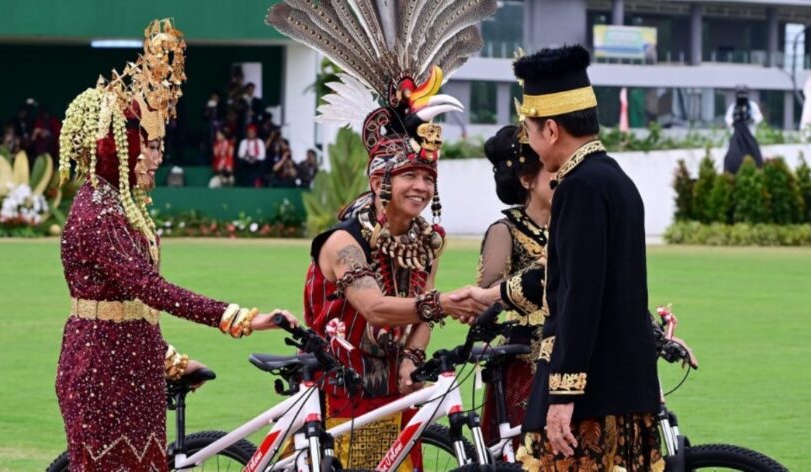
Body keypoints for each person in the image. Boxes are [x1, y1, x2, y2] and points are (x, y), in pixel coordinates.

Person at [54, 20, 297, 471]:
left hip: (135, 368)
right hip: (102, 377)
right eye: (148, 146)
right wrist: (241, 318)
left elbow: (130, 306)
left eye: (160, 146)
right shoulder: (97, 214)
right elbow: (150, 289)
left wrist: (166, 358)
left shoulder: (124, 208)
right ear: (117, 147)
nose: (157, 158)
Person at [267, 0, 497, 469]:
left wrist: (414, 358)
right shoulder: (342, 243)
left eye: (428, 178)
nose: (420, 187)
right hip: (340, 389)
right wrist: (445, 304)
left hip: (396, 391)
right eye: (410, 176)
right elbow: (373, 307)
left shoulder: (430, 237)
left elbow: (422, 310)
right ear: (379, 182)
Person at [513, 45, 664, 470]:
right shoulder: (616, 179)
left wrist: (562, 396)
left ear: (552, 130)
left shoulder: (579, 187)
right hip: (624, 386)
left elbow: (580, 297)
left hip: (592, 397)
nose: (531, 145)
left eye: (529, 131)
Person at [470, 125, 553, 451]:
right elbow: (487, 297)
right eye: (550, 170)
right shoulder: (505, 231)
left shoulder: (569, 225)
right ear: (526, 179)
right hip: (522, 361)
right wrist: (540, 275)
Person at [724, 86, 764, 174]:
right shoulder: (733, 106)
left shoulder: (752, 106)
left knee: (754, 154)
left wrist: (752, 120)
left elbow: (759, 117)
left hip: (749, 135)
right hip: (736, 137)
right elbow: (728, 118)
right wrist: (733, 123)